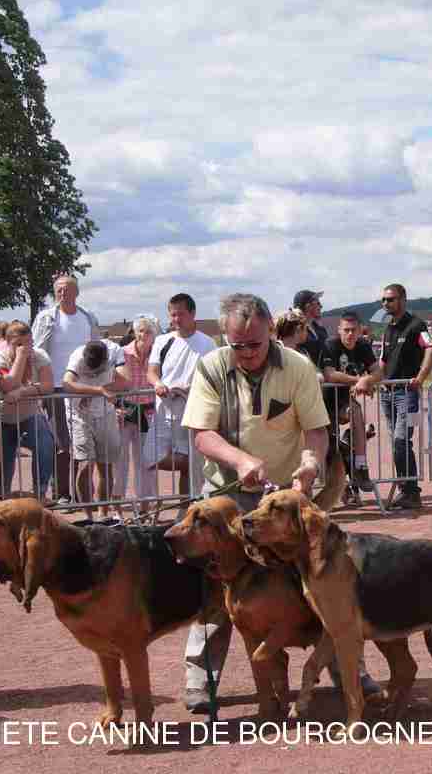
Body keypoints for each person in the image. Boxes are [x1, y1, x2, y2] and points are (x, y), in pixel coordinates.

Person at [178, 293, 335, 713]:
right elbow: (202, 434)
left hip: (282, 497)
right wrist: (240, 460)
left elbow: (316, 430)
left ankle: (348, 671)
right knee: (216, 588)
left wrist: (310, 463)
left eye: (255, 344)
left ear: (270, 331)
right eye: (238, 345)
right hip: (225, 496)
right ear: (224, 337)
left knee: (321, 579)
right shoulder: (211, 366)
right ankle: (201, 679)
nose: (247, 353)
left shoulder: (298, 367)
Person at [32, 274, 102, 503]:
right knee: (62, 443)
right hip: (55, 388)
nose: (63, 293)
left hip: (83, 388)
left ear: (77, 292)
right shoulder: (46, 318)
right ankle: (61, 493)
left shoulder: (88, 317)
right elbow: (36, 351)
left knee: (83, 442)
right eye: (59, 289)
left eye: (67, 289)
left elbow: (98, 351)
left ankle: (83, 494)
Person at [146, 293, 216, 497]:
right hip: (164, 410)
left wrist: (193, 389)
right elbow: (151, 372)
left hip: (193, 411)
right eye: (173, 315)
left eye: (181, 314)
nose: (176, 319)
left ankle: (188, 505)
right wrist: (158, 384)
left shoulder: (208, 343)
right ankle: (200, 469)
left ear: (193, 313)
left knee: (191, 469)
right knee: (150, 458)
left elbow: (214, 377)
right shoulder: (162, 341)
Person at [378, 283, 432, 511]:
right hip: (387, 394)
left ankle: (411, 492)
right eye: (384, 300)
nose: (386, 303)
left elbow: (431, 348)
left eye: (390, 299)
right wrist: (373, 381)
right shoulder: (387, 329)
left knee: (401, 441)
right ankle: (406, 490)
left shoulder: (416, 325)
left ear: (403, 300)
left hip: (407, 395)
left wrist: (421, 377)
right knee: (397, 444)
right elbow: (383, 362)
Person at [0, 320, 56, 498]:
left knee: (46, 444)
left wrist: (22, 392)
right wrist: (21, 357)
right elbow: (9, 385)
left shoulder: (40, 355)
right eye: (19, 344)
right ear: (7, 343)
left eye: (28, 343)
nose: (25, 348)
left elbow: (48, 385)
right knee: (5, 467)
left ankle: (39, 493)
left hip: (29, 416)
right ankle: (2, 499)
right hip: (0, 419)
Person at [320, 311, 383, 504]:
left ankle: (361, 467)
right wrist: (359, 380)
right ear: (339, 330)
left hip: (344, 401)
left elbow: (378, 371)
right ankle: (342, 487)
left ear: (360, 330)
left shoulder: (363, 345)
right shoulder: (331, 345)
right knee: (331, 450)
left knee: (356, 412)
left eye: (353, 330)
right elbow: (330, 374)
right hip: (324, 403)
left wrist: (368, 380)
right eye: (346, 330)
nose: (350, 334)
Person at [62, 341, 123, 519]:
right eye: (90, 368)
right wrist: (97, 391)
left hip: (105, 413)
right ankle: (88, 517)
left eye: (98, 369)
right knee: (86, 463)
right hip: (79, 415)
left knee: (105, 466)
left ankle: (103, 514)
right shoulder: (77, 357)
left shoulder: (114, 352)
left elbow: (125, 381)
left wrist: (98, 391)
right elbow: (67, 383)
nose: (94, 372)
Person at [113, 315, 160, 509]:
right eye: (140, 330)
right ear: (135, 332)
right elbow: (112, 382)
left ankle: (145, 503)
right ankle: (116, 505)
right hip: (125, 411)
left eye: (148, 331)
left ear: (154, 334)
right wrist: (115, 407)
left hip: (148, 412)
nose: (144, 335)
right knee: (120, 461)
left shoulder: (158, 355)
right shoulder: (122, 353)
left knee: (145, 460)